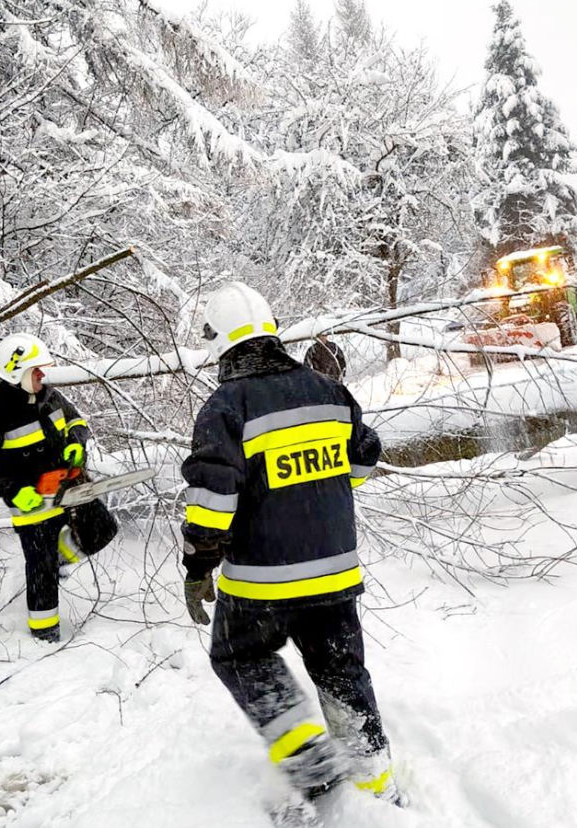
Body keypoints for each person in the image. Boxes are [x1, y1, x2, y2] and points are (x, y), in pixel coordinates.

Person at [180, 282, 402, 806]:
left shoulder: (227, 406)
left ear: (220, 342)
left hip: (263, 579)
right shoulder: (327, 389)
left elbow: (214, 499)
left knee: (239, 655)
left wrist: (198, 565)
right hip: (337, 572)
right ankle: (376, 783)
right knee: (340, 668)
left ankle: (309, 761)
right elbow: (363, 457)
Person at [0, 332, 94, 643]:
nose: (42, 375)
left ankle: (62, 557)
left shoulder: (50, 398)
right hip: (29, 503)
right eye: (36, 371)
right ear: (17, 374)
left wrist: (76, 444)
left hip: (66, 489)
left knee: (98, 528)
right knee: (41, 569)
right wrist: (13, 489)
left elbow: (77, 423)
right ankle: (45, 634)